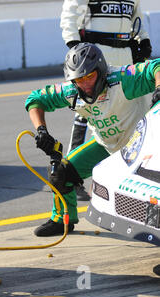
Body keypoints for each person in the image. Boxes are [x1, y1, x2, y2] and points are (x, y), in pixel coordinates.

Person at [25, 42, 160, 237]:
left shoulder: (122, 80)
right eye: (79, 79)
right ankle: (63, 220)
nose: (85, 84)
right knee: (60, 172)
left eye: (89, 76)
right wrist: (41, 131)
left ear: (101, 69)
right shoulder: (71, 91)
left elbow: (156, 66)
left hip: (143, 147)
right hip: (107, 145)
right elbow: (35, 99)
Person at [60, 0, 152, 200]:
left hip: (126, 53)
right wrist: (74, 44)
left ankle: (123, 177)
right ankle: (74, 177)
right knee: (87, 114)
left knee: (135, 113)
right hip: (96, 54)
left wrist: (143, 39)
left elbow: (137, 17)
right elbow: (70, 12)